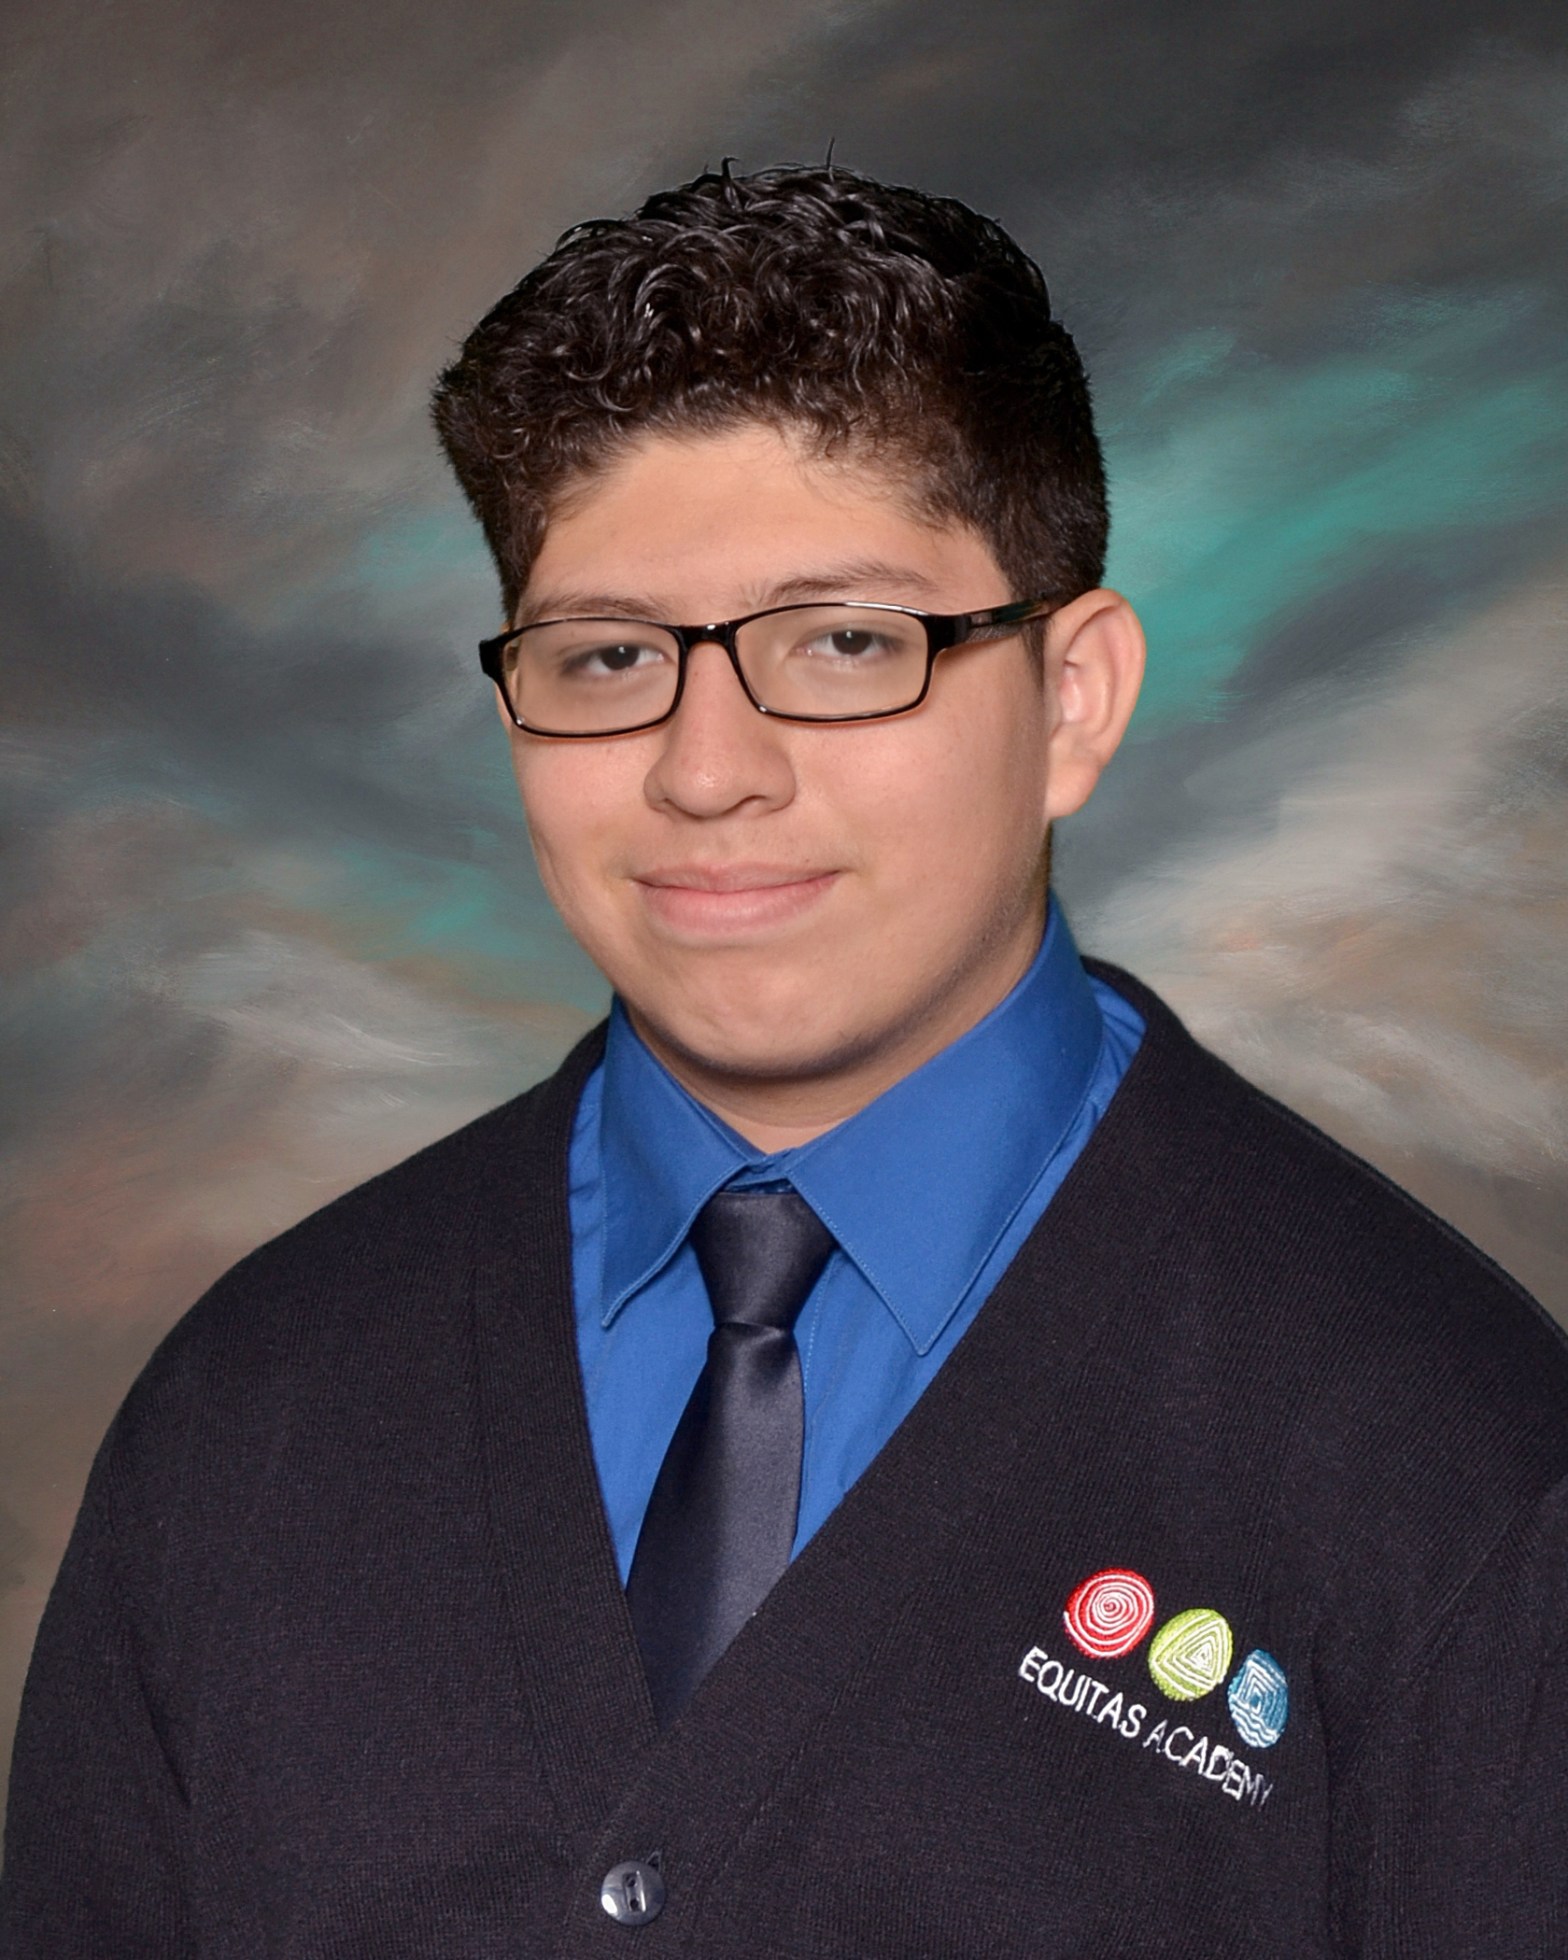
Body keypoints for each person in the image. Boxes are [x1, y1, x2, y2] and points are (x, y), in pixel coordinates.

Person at [3, 162, 1566, 1958]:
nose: (707, 770)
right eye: (607, 658)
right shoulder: (246, 1416)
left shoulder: (1457, 1474)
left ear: (1073, 698)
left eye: (842, 642)